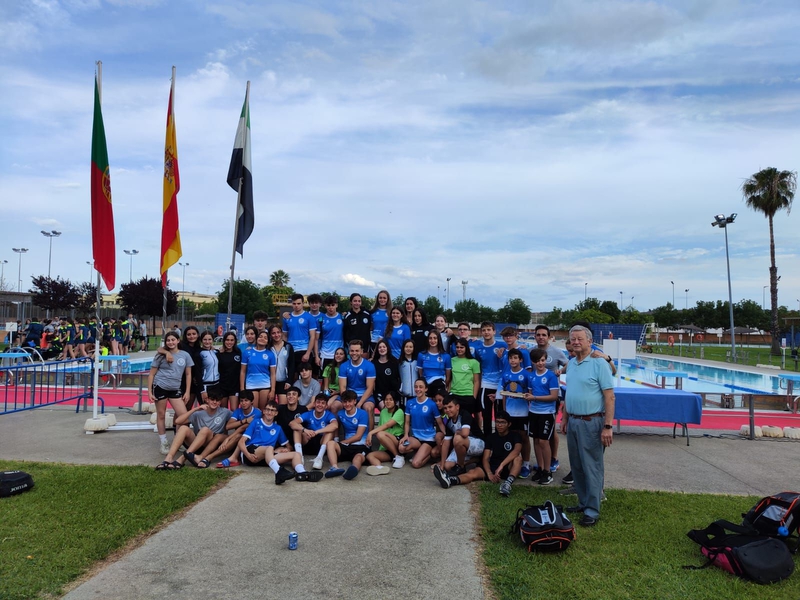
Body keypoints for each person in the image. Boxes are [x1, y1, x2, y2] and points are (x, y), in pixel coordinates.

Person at [562, 325, 615, 527]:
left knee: (592, 466)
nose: (576, 342)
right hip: (574, 420)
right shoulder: (572, 363)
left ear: (590, 341)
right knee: (577, 465)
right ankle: (583, 502)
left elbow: (609, 397)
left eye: (579, 339)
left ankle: (592, 509)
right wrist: (565, 418)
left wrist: (607, 426)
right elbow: (570, 393)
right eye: (572, 339)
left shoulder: (599, 363)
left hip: (592, 421)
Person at [156, 388, 234, 470]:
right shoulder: (198, 413)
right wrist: (195, 409)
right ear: (207, 400)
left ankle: (182, 458)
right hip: (197, 443)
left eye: (217, 400)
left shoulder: (225, 412)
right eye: (212, 399)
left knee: (205, 429)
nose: (215, 402)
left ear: (220, 402)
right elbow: (178, 421)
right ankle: (169, 458)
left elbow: (237, 419)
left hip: (211, 445)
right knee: (183, 428)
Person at [238, 400, 307, 484]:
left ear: (276, 413)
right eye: (267, 409)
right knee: (269, 447)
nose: (269, 412)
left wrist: (284, 449)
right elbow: (241, 442)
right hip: (251, 452)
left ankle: (302, 473)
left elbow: (289, 447)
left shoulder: (278, 428)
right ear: (263, 411)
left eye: (272, 410)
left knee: (296, 454)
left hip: (268, 457)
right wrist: (247, 455)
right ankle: (279, 472)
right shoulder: (256, 422)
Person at [147, 331, 191, 454]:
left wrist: (187, 391)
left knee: (183, 416)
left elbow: (188, 374)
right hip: (160, 386)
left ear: (178, 340)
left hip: (175, 388)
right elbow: (151, 374)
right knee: (161, 415)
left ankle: (179, 440)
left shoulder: (185, 355)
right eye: (168, 340)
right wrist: (149, 392)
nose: (171, 342)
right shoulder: (160, 356)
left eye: (173, 340)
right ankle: (164, 442)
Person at [498, 348, 538, 481]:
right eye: (511, 358)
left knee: (524, 438)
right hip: (510, 412)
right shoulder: (506, 375)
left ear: (521, 360)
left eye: (515, 358)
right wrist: (504, 411)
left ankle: (526, 464)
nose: (513, 360)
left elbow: (531, 393)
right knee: (512, 437)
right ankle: (513, 462)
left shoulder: (527, 375)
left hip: (523, 412)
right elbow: (504, 394)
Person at [527, 347, 561, 485]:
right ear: (533, 362)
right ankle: (540, 468)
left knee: (543, 441)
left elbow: (553, 397)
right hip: (533, 412)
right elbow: (530, 394)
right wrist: (527, 397)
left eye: (542, 360)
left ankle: (548, 471)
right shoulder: (532, 376)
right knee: (535, 440)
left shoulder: (551, 376)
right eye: (537, 361)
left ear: (546, 360)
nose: (540, 363)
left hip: (547, 413)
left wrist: (534, 397)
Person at [398, 379, 446, 468]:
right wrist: (406, 435)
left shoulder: (432, 404)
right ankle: (420, 451)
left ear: (426, 389)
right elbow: (407, 422)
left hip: (429, 438)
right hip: (416, 437)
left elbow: (440, 423)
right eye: (416, 387)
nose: (418, 389)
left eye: (421, 387)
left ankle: (429, 455)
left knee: (416, 464)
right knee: (401, 448)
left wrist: (446, 436)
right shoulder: (410, 403)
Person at [325, 390, 370, 480]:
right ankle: (334, 467)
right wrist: (337, 440)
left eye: (349, 401)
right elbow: (336, 426)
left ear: (355, 401)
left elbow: (358, 436)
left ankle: (353, 470)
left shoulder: (362, 413)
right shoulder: (340, 413)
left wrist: (343, 441)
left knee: (358, 458)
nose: (347, 404)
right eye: (345, 402)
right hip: (347, 446)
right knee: (330, 443)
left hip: (361, 445)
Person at [472, 321, 507, 433]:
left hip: (500, 385)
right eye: (484, 330)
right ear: (481, 332)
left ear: (494, 331)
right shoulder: (478, 348)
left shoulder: (502, 345)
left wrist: (523, 346)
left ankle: (499, 439)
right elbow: (478, 366)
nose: (486, 332)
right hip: (486, 384)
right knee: (486, 414)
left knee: (499, 414)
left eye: (488, 330)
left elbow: (515, 349)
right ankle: (487, 442)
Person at [290, 392, 338, 470]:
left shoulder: (329, 414)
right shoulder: (308, 414)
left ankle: (319, 458)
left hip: (321, 443)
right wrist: (304, 430)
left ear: (326, 406)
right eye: (318, 402)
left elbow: (335, 425)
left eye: (323, 403)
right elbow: (292, 423)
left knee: (330, 431)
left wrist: (317, 431)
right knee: (297, 429)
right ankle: (299, 456)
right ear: (314, 404)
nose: (320, 405)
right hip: (308, 441)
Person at [438, 395, 484, 475]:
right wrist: (442, 465)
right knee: (448, 466)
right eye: (445, 408)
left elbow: (465, 433)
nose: (447, 410)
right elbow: (446, 444)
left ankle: (461, 466)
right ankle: (473, 460)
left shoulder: (464, 414)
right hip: (463, 446)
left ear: (457, 407)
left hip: (478, 443)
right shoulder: (448, 421)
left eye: (450, 407)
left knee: (458, 438)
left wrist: (457, 432)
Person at [215, 390, 261, 468]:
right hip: (238, 438)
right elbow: (228, 426)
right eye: (241, 401)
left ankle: (210, 457)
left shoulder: (257, 413)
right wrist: (245, 420)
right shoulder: (238, 411)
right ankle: (205, 456)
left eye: (246, 400)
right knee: (219, 436)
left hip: (251, 440)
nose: (243, 403)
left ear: (251, 402)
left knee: (239, 436)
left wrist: (228, 438)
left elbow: (243, 428)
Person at [339, 339, 376, 430]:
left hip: (364, 395)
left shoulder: (369, 366)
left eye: (357, 351)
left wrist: (359, 403)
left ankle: (369, 438)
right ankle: (336, 437)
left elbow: (370, 388)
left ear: (361, 351)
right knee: (335, 406)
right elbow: (343, 387)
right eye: (352, 351)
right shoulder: (344, 366)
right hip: (349, 394)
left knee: (368, 408)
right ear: (348, 351)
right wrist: (348, 401)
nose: (354, 353)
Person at [365, 391, 406, 473]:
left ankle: (398, 456)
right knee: (370, 456)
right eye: (386, 399)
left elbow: (387, 425)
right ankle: (379, 468)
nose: (388, 401)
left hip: (397, 442)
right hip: (386, 447)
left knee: (380, 434)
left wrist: (370, 433)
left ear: (395, 401)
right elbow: (381, 427)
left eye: (391, 399)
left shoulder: (399, 412)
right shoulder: (383, 412)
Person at [282, 293, 317, 380]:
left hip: (304, 350)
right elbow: (284, 336)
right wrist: (285, 351)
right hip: (291, 350)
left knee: (305, 375)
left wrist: (308, 353)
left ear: (303, 303)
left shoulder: (309, 317)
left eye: (298, 303)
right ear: (291, 304)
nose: (296, 306)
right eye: (294, 304)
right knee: (292, 376)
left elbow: (312, 337)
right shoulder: (287, 317)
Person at [240, 330, 276, 410]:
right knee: (254, 411)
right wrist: (242, 389)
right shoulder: (247, 352)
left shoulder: (270, 354)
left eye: (265, 338)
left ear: (267, 342)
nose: (262, 339)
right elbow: (243, 371)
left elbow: (273, 374)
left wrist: (273, 390)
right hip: (251, 385)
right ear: (256, 338)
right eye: (260, 337)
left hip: (265, 385)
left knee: (263, 410)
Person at [449, 338, 480, 418]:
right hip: (454, 394)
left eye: (461, 347)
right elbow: (449, 378)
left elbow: (476, 381)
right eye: (457, 347)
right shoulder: (451, 360)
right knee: (453, 418)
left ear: (466, 348)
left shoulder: (474, 362)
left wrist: (474, 397)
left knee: (466, 419)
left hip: (467, 395)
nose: (459, 349)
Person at [316, 295, 343, 375]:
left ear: (336, 305)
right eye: (328, 305)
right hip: (325, 354)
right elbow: (316, 339)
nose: (330, 307)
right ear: (325, 306)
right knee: (324, 379)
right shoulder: (321, 319)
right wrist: (317, 356)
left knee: (339, 379)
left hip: (339, 355)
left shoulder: (342, 317)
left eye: (333, 305)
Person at [268, 324, 294, 405]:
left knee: (282, 406)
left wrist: (289, 381)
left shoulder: (288, 346)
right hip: (269, 382)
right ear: (270, 335)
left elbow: (292, 365)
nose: (276, 335)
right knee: (269, 406)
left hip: (283, 381)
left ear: (282, 333)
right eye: (273, 333)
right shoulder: (268, 347)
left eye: (278, 332)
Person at [372, 339, 400, 408]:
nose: (382, 349)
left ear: (387, 348)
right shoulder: (373, 364)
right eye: (380, 347)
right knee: (385, 408)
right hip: (379, 393)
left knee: (393, 409)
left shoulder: (394, 362)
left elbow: (398, 378)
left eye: (384, 347)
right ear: (377, 350)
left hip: (392, 392)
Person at [217, 331, 242, 410]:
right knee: (223, 411)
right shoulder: (219, 354)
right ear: (224, 341)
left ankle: (233, 423)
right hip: (222, 386)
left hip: (235, 386)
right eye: (227, 340)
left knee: (234, 409)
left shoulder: (238, 352)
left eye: (232, 340)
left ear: (235, 341)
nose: (229, 342)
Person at [322, 347, 346, 412]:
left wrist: (336, 392)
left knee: (328, 405)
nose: (338, 356)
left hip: (340, 393)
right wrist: (327, 394)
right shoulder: (328, 367)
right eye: (337, 354)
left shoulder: (346, 368)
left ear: (344, 356)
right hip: (329, 392)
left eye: (341, 354)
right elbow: (326, 387)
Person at [198, 331, 220, 403]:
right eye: (205, 339)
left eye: (210, 339)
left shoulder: (216, 352)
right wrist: (202, 390)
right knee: (206, 409)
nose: (207, 342)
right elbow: (197, 373)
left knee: (215, 408)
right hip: (206, 386)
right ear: (201, 340)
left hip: (216, 385)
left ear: (213, 340)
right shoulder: (199, 353)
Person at [369, 289, 392, 357]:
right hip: (374, 340)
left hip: (386, 341)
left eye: (384, 298)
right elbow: (371, 327)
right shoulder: (373, 312)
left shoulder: (391, 312)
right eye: (380, 298)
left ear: (388, 299)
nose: (382, 300)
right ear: (377, 299)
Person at [398, 339, 417, 406]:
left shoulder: (417, 362)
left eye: (410, 347)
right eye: (406, 347)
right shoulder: (400, 362)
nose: (408, 349)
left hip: (416, 394)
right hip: (404, 394)